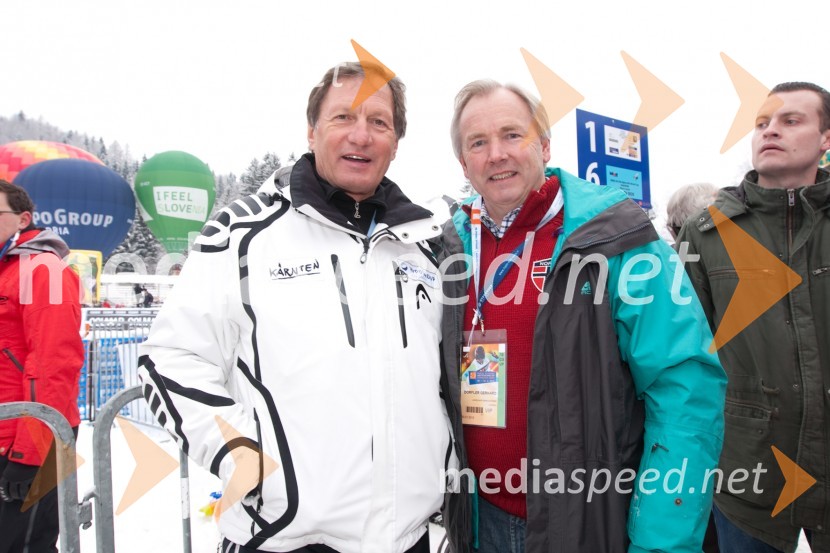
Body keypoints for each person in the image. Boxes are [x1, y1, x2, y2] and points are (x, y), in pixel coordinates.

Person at [138, 62, 452, 553]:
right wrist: (244, 458)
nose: (361, 135)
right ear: (311, 131)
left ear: (395, 143)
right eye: (343, 117)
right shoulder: (242, 234)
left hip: (408, 538)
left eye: (379, 122)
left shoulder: (425, 247)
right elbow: (170, 358)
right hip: (283, 538)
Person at [438, 80, 726, 553]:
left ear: (545, 145)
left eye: (512, 135)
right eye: (478, 142)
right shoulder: (448, 248)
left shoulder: (617, 237)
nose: (497, 154)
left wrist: (661, 541)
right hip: (479, 522)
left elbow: (685, 391)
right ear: (463, 163)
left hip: (590, 523)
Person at [677, 81, 830, 552]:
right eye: (762, 122)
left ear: (825, 138)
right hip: (747, 479)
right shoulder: (705, 233)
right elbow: (685, 361)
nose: (770, 131)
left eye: (791, 120)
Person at [0, 180, 84, 552]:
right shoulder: (5, 269)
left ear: (22, 219)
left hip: (29, 439)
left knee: (24, 545)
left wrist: (31, 452)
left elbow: (54, 364)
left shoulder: (43, 270)